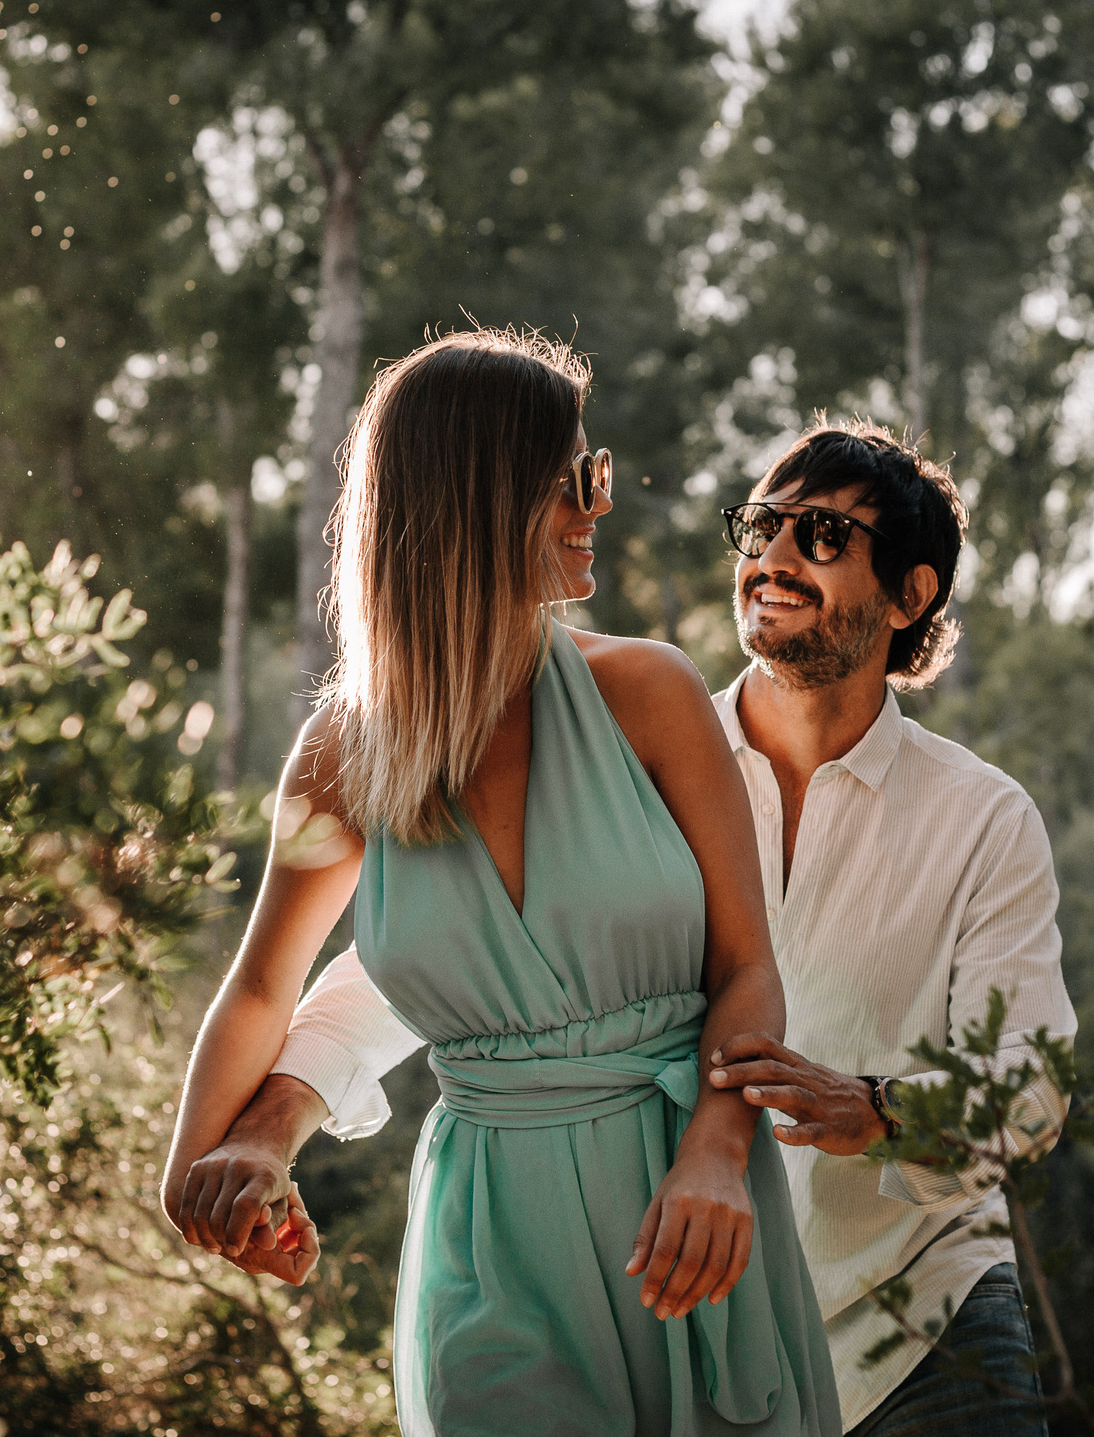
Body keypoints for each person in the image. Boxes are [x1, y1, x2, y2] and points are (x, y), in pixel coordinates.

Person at [180, 419, 1077, 1437]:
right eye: (762, 527)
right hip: (665, 1304)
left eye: (824, 537)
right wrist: (263, 1129)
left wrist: (877, 1107)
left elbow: (1031, 1081)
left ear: (911, 595)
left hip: (922, 1318)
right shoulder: (632, 735)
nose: (774, 559)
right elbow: (431, 970)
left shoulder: (983, 816)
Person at [161, 329, 841, 1437]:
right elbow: (259, 992)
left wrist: (719, 1153)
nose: (598, 506)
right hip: (490, 1238)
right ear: (479, 501)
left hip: (688, 1211)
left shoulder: (649, 695)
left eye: (597, 473)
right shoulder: (342, 756)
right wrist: (206, 1171)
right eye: (576, 480)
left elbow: (747, 971)